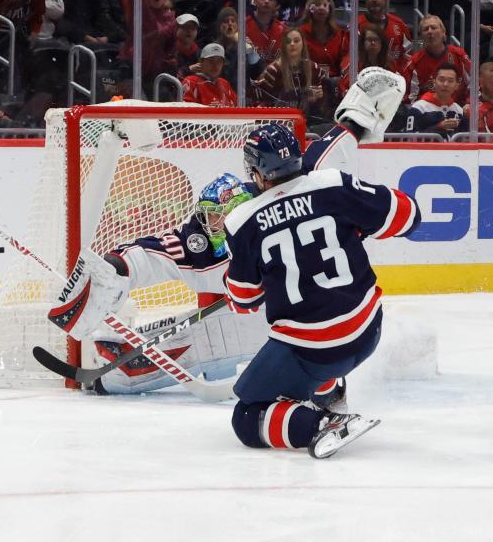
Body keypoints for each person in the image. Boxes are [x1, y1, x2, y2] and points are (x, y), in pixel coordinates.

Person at [223, 122, 421, 458]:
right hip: (367, 329)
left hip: (312, 351)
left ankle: (322, 423)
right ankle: (329, 394)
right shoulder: (332, 183)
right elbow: (408, 216)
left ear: (258, 171)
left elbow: (244, 299)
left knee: (246, 416)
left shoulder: (241, 221)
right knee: (315, 341)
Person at [49, 173, 268, 395]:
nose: (212, 224)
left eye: (218, 216)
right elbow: (155, 252)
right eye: (209, 216)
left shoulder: (272, 212)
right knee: (210, 327)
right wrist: (118, 266)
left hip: (283, 313)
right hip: (234, 302)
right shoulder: (198, 242)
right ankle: (116, 371)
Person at [251, 28, 329, 128]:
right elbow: (260, 102)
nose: (292, 44)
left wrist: (319, 98)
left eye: (296, 41)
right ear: (283, 46)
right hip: (279, 126)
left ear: (303, 44)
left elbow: (325, 105)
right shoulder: (274, 70)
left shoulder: (314, 69)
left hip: (308, 124)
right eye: (288, 41)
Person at [402, 14, 472, 104]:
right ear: (422, 36)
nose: (430, 32)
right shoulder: (414, 63)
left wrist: (469, 104)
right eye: (426, 29)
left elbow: (473, 85)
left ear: (443, 33)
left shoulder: (459, 55)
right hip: (428, 112)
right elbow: (410, 99)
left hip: (459, 109)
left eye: (434, 28)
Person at [395, 63, 465, 138]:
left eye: (450, 81)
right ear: (434, 82)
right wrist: (438, 127)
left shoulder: (459, 110)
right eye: (441, 80)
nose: (445, 84)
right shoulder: (419, 108)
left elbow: (466, 138)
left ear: (457, 85)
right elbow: (409, 137)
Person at [358, 0, 412, 71]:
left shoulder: (399, 25)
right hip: (364, 79)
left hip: (395, 81)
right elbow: (348, 58)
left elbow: (409, 58)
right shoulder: (356, 26)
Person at [298, 0, 349, 78]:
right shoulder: (300, 33)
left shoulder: (340, 34)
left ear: (330, 9)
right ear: (310, 8)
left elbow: (345, 61)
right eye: (317, 4)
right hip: (308, 82)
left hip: (334, 83)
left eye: (324, 5)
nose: (321, 8)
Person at [246, 0, 288, 64]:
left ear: (276, 5)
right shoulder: (243, 24)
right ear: (255, 1)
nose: (266, 1)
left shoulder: (284, 31)